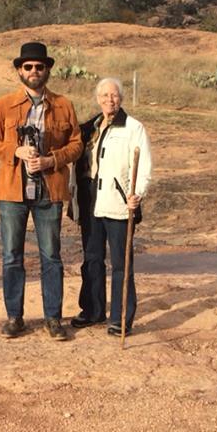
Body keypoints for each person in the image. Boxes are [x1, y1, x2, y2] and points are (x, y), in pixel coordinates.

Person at [0, 41, 83, 340]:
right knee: (12, 256)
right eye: (28, 67)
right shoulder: (4, 104)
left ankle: (53, 318)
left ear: (48, 69)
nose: (34, 71)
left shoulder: (64, 104)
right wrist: (16, 152)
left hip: (49, 190)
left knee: (51, 256)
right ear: (19, 70)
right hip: (13, 192)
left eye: (39, 66)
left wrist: (51, 159)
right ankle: (15, 317)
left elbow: (76, 144)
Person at [70, 77, 152, 336]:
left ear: (121, 98)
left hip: (119, 200)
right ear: (97, 98)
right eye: (105, 95)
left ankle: (120, 318)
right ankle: (93, 310)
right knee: (92, 258)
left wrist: (136, 194)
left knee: (120, 262)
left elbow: (145, 166)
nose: (109, 99)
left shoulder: (133, 127)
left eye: (114, 95)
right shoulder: (90, 127)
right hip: (91, 199)